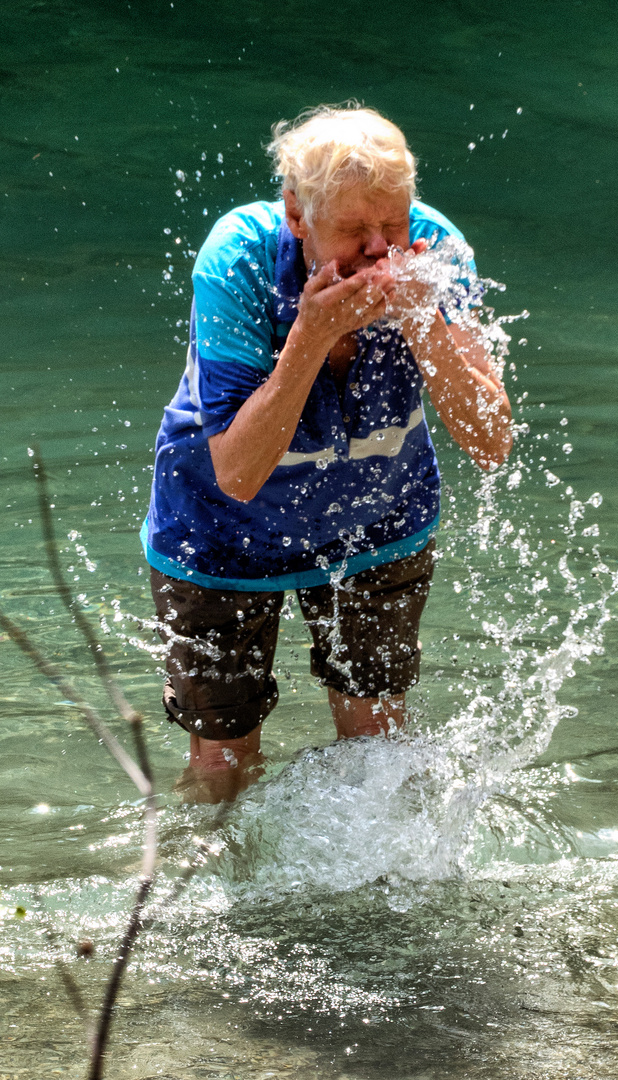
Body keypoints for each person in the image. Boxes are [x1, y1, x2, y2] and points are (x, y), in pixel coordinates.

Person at [142, 105, 512, 802]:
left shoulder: (433, 251)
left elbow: (492, 444)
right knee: (222, 765)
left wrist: (422, 324)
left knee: (379, 750)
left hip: (377, 521)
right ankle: (203, 903)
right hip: (220, 530)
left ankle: (376, 907)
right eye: (353, 232)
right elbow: (238, 474)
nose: (380, 252)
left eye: (393, 227)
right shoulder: (238, 260)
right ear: (297, 216)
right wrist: (309, 336)